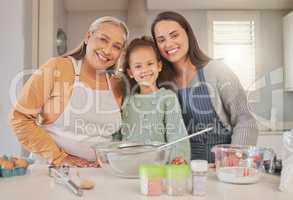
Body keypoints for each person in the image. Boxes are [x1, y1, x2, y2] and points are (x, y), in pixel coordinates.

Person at [10, 17, 129, 167]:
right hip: (52, 171)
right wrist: (59, 158)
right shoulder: (57, 67)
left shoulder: (117, 85)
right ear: (88, 37)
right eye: (103, 40)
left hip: (99, 174)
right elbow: (20, 118)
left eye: (116, 46)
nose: (107, 50)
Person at [151, 11, 258, 163]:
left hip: (221, 165)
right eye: (161, 40)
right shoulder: (161, 83)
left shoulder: (217, 70)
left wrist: (236, 154)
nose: (168, 44)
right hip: (180, 167)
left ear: (188, 34)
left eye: (174, 35)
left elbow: (245, 119)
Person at [120, 36, 190, 163]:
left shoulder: (167, 98)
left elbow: (177, 133)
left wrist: (179, 157)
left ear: (159, 66)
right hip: (128, 164)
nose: (145, 70)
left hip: (158, 167)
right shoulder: (126, 101)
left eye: (150, 63)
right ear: (130, 72)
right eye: (138, 66)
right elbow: (117, 136)